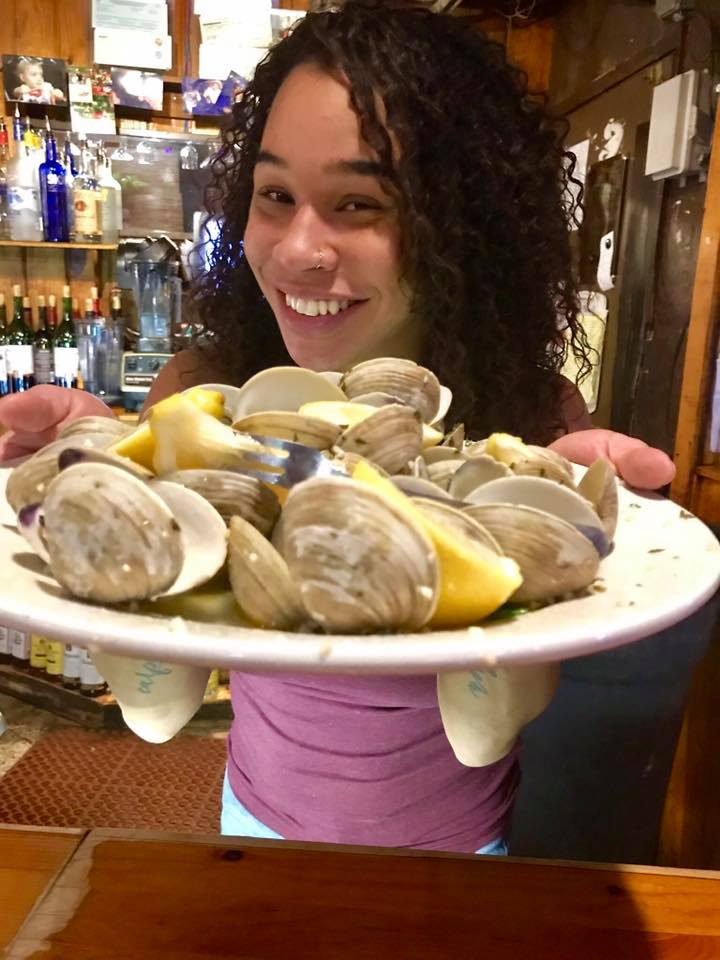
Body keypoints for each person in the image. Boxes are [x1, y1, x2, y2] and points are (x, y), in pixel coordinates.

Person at [0, 0, 675, 853]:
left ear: (463, 232)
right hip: (254, 821)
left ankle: (500, 676)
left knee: (489, 714)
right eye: (274, 194)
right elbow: (163, 652)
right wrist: (95, 474)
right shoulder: (201, 387)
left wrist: (572, 519)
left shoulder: (533, 416)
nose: (294, 251)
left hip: (466, 850)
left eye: (358, 204)